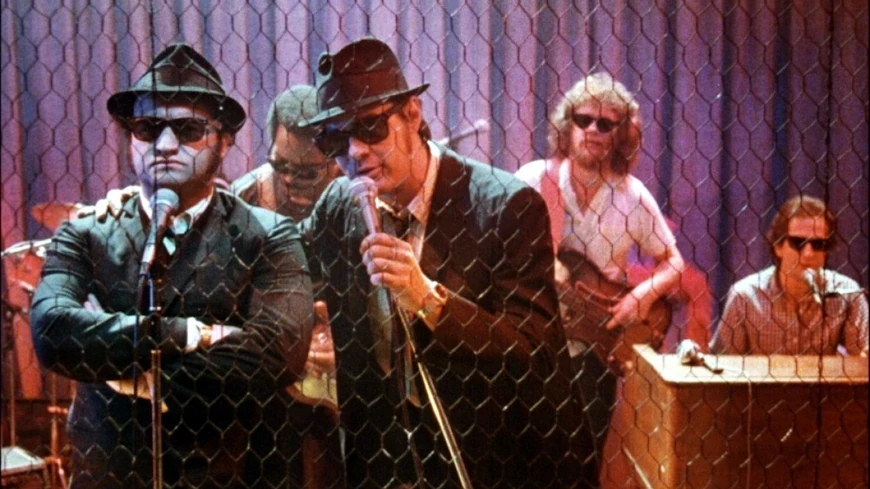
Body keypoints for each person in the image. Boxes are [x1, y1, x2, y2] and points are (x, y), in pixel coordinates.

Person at [300, 37, 594, 488]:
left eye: (371, 127)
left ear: (412, 113)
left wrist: (427, 298)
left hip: (494, 459)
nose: (354, 150)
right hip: (388, 462)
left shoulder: (505, 206)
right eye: (334, 138)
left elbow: (534, 348)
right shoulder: (341, 203)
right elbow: (289, 262)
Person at [30, 43, 314, 489]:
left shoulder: (268, 235)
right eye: (148, 128)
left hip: (235, 476)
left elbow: (278, 356)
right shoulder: (86, 234)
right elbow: (52, 333)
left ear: (224, 140)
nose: (164, 145)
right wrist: (188, 335)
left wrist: (125, 372)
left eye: (188, 129)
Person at [515, 73, 686, 464]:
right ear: (567, 124)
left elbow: (674, 262)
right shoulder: (534, 179)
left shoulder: (632, 195)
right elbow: (501, 248)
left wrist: (641, 297)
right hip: (536, 345)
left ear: (619, 135)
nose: (592, 129)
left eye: (606, 124)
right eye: (583, 119)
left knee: (583, 465)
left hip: (595, 353)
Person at [711, 195, 868, 355]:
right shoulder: (745, 296)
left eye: (818, 244)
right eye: (798, 242)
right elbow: (722, 362)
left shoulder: (847, 294)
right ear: (778, 247)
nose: (808, 254)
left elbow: (863, 358)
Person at [231, 84, 342, 223]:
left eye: (306, 173)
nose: (289, 179)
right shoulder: (243, 197)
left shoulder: (355, 191)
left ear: (336, 162)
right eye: (280, 165)